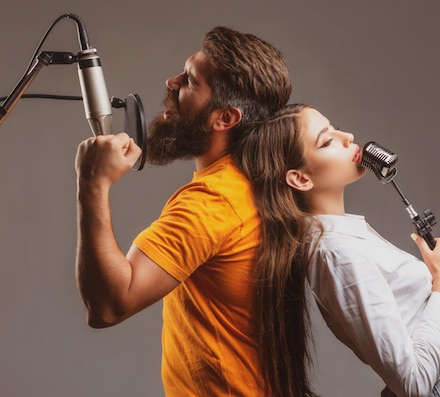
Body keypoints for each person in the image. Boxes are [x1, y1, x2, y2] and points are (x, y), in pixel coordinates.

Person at [74, 28, 316, 396]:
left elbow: (109, 305)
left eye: (189, 81)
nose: (170, 82)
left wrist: (92, 183)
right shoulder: (252, 184)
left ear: (224, 119)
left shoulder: (212, 201)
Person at [233, 103, 440, 397]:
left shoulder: (347, 235)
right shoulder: (337, 253)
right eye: (327, 141)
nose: (348, 136)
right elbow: (412, 383)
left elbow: (412, 331)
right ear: (301, 178)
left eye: (336, 127)